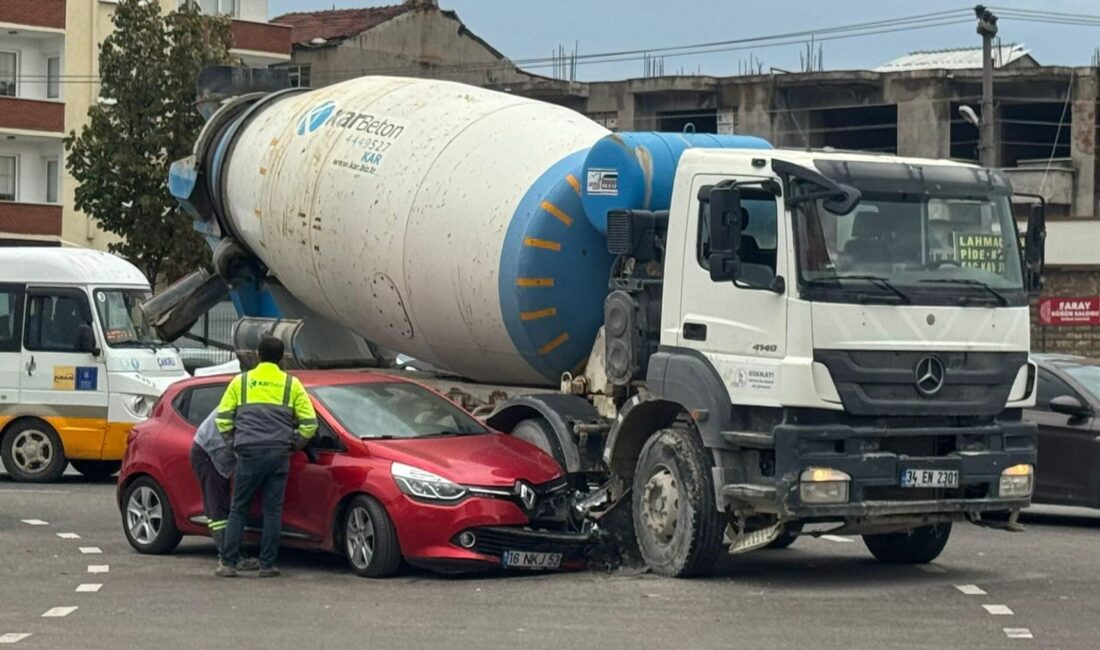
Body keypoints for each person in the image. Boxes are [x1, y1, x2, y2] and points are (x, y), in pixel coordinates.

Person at [215, 336, 318, 578]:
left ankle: (228, 563)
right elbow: (310, 423)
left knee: (238, 508)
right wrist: (294, 444)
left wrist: (234, 444)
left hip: (248, 452)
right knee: (273, 511)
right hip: (278, 453)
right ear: (281, 358)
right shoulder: (291, 384)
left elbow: (222, 419)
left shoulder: (241, 382)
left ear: (258, 355)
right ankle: (267, 565)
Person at [188, 410, 260, 573]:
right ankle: (227, 558)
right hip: (209, 453)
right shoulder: (245, 405)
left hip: (219, 452)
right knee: (217, 509)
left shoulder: (249, 400)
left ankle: (236, 555)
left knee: (225, 506)